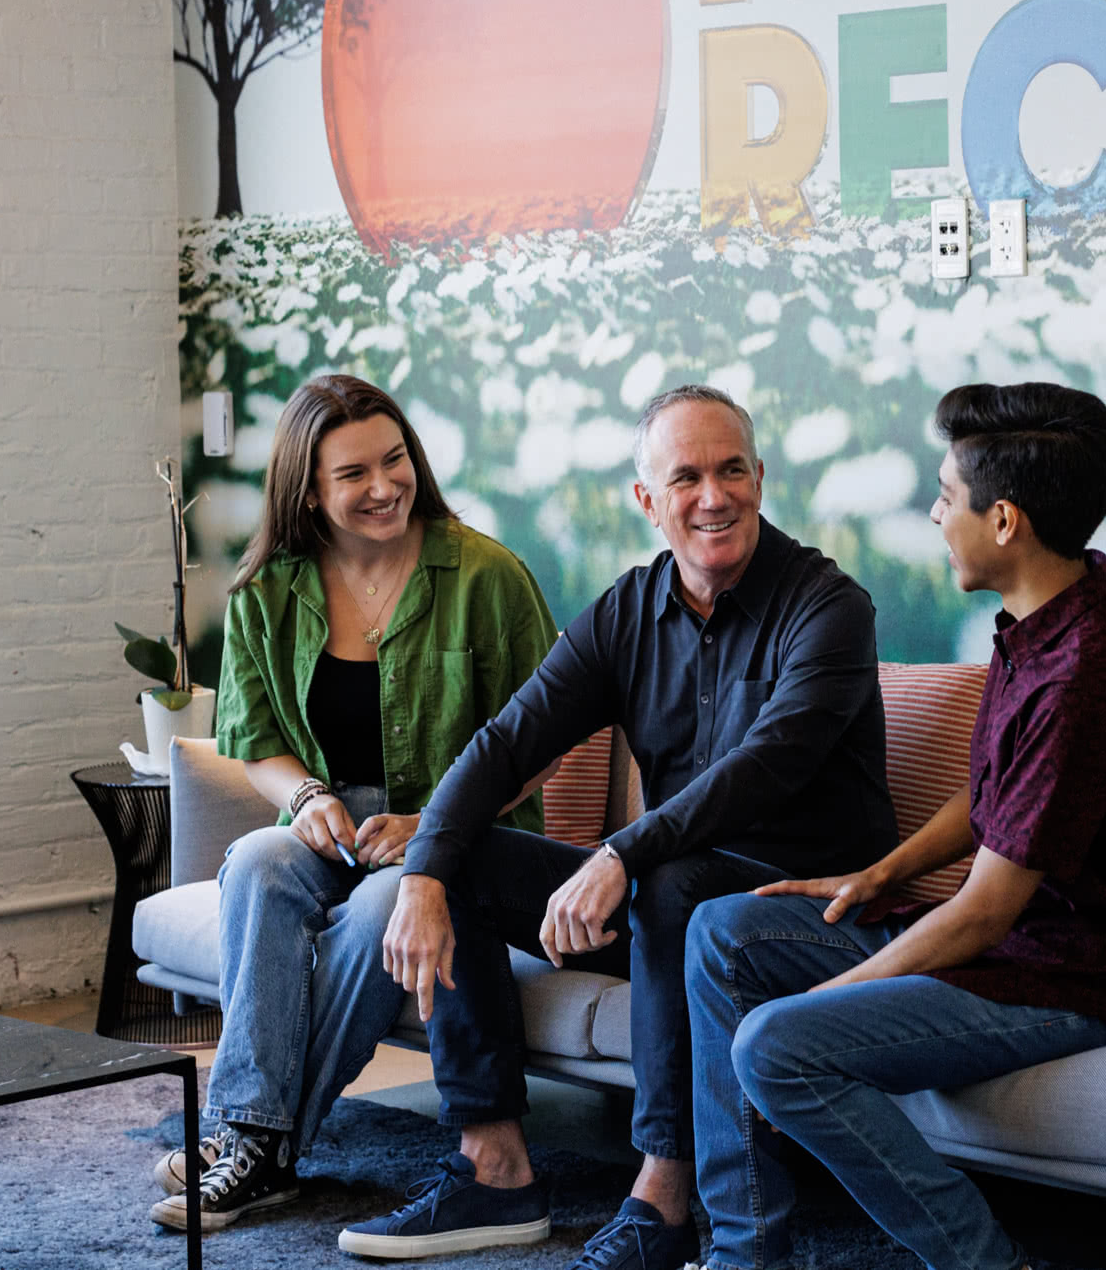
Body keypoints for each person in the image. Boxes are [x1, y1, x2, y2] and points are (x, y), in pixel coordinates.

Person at [350, 385, 894, 1267]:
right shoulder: (627, 613)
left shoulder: (829, 605)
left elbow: (766, 768)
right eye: (685, 477)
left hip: (806, 917)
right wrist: (422, 875)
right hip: (663, 900)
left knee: (675, 885)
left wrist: (619, 853)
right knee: (470, 862)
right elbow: (504, 744)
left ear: (761, 477)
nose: (712, 496)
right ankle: (495, 1168)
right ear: (648, 501)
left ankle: (662, 1197)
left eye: (731, 471)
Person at [682, 381, 1106, 1270]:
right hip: (1011, 955)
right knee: (724, 933)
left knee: (776, 1043)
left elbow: (987, 911)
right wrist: (876, 878)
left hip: (1071, 983)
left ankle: (986, 1261)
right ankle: (746, 1251)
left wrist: (836, 994)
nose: (932, 512)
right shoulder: (1041, 620)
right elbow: (993, 791)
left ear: (1004, 522)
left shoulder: (1083, 676)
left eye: (947, 498)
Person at [149, 374, 558, 1235]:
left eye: (396, 460)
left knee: (384, 907)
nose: (385, 487)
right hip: (331, 824)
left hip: (450, 838)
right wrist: (302, 797)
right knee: (257, 860)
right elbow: (253, 738)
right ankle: (259, 1141)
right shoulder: (268, 588)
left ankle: (253, 1143)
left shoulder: (487, 575)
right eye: (354, 474)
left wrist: (435, 829)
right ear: (307, 488)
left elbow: (537, 744)